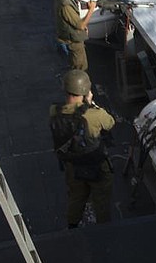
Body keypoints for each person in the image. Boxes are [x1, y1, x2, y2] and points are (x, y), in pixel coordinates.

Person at [49, 69, 115, 228]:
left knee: (76, 197)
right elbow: (110, 123)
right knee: (101, 200)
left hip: (72, 165)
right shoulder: (94, 114)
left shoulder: (53, 111)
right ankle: (104, 228)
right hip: (97, 166)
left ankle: (72, 225)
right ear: (86, 91)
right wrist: (91, 103)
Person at [54, 0, 96, 71]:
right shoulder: (66, 5)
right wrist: (91, 9)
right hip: (73, 43)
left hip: (72, 39)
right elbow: (80, 25)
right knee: (79, 69)